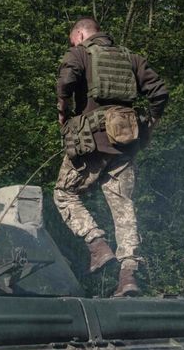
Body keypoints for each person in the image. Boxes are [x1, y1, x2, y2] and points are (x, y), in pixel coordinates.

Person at [54, 17, 169, 297]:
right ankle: (128, 277)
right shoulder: (132, 58)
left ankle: (97, 246)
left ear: (80, 35)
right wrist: (150, 124)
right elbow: (160, 92)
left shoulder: (80, 53)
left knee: (63, 193)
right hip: (125, 145)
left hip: (91, 143)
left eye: (73, 40)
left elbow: (65, 81)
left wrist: (62, 110)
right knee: (124, 209)